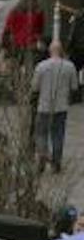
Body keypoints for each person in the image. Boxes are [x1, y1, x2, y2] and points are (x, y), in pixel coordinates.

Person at [32, 38, 77, 172]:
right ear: (61, 50)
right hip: (61, 106)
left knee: (41, 134)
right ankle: (56, 163)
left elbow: (34, 87)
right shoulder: (70, 66)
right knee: (58, 135)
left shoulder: (41, 66)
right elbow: (74, 87)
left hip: (44, 106)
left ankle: (42, 157)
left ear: (50, 50)